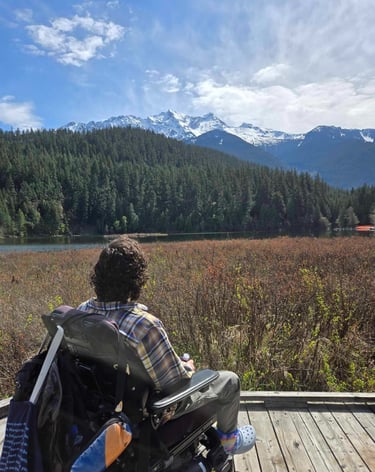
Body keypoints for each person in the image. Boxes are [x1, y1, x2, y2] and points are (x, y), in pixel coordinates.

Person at [77, 235, 256, 456]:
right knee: (230, 381)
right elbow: (178, 387)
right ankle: (229, 442)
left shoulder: (82, 312)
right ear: (137, 281)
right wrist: (188, 367)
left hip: (102, 408)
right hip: (149, 415)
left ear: (99, 276)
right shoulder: (144, 326)